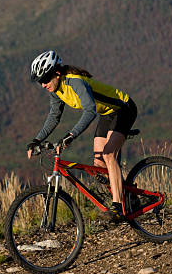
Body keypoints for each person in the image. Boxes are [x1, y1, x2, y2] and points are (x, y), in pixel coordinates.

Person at [27, 50, 137, 221]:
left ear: (57, 73)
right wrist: (37, 139)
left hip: (123, 109)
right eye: (40, 81)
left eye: (45, 79)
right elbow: (54, 116)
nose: (43, 84)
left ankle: (117, 207)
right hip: (107, 114)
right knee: (99, 166)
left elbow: (90, 111)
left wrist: (71, 135)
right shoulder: (56, 90)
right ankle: (130, 198)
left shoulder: (75, 82)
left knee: (109, 155)